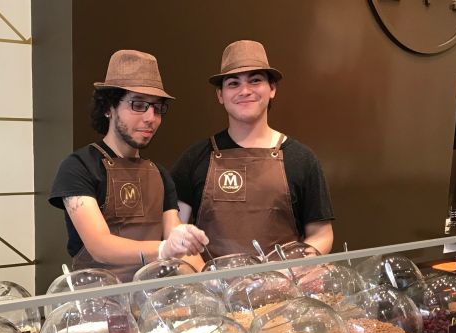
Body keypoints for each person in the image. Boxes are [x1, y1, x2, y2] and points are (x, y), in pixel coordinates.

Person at [49, 50, 208, 282]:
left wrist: (212, 281)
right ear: (108, 108)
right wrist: (164, 248)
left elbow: (177, 241)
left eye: (157, 108)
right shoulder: (79, 167)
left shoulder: (159, 175)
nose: (150, 117)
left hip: (151, 297)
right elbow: (100, 245)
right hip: (97, 297)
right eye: (138, 105)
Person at [171, 40, 334, 257]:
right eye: (233, 84)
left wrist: (299, 264)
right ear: (220, 95)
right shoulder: (194, 159)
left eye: (255, 81)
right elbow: (176, 232)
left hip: (282, 278)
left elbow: (321, 234)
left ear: (272, 89)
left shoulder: (302, 160)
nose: (245, 91)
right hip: (211, 279)